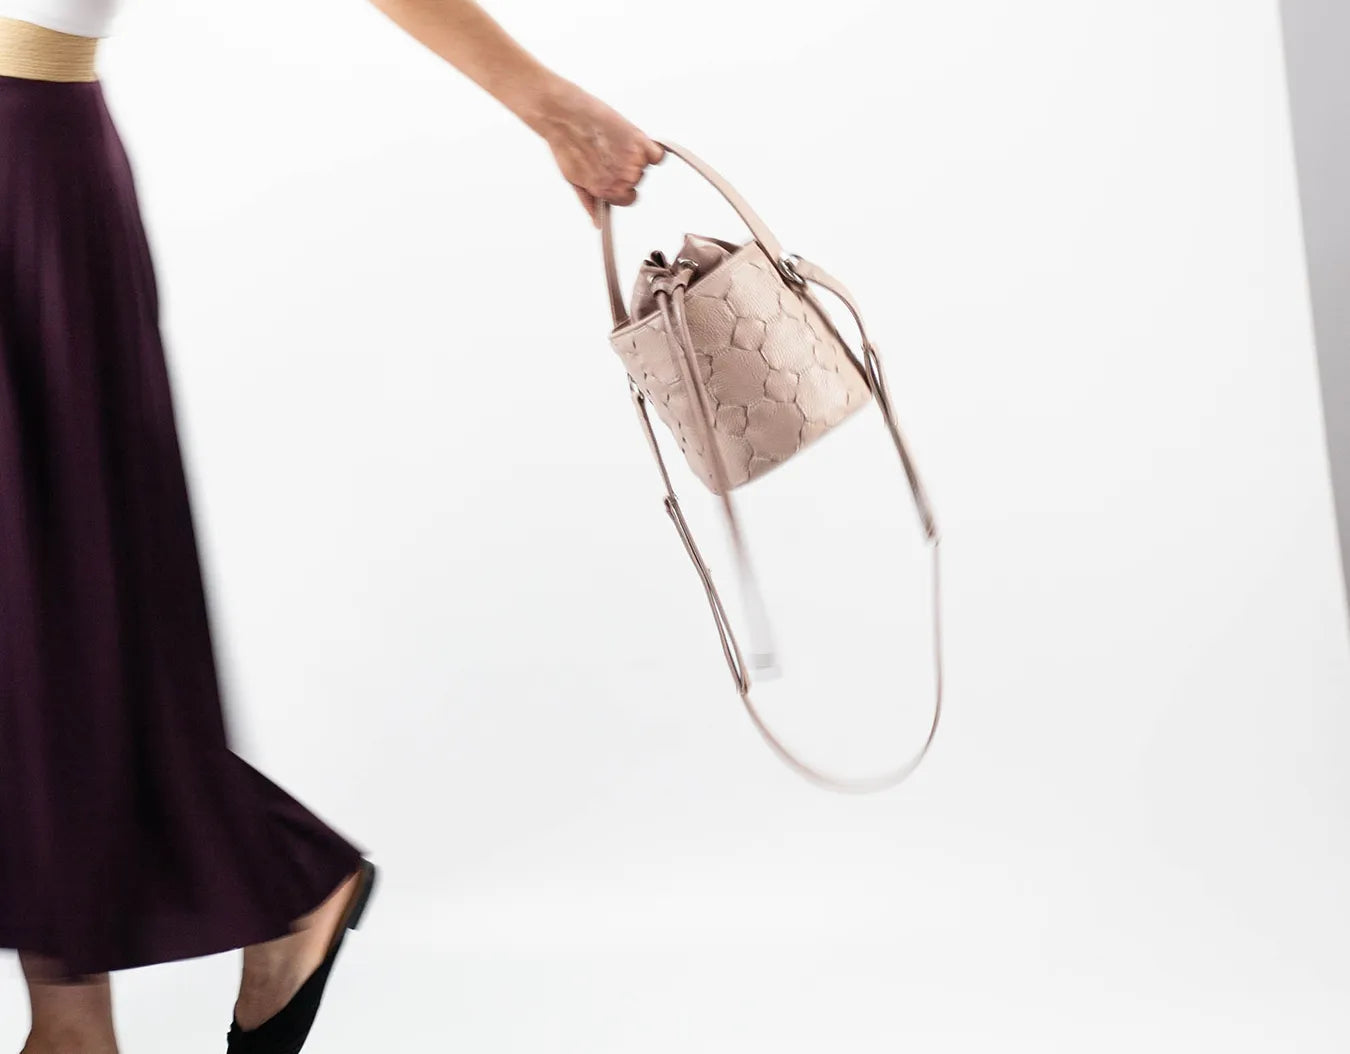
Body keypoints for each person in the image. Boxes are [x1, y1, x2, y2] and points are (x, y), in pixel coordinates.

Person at [0, 1, 663, 1051]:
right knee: (30, 602)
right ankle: (140, 965)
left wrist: (546, 102)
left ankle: (84, 1011)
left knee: (41, 592)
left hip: (18, 158)